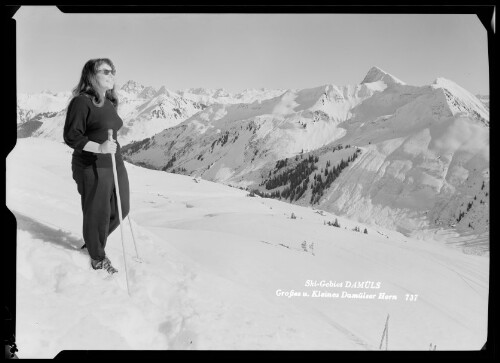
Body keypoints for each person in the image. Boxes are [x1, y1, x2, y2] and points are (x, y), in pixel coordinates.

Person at [63, 58, 130, 274]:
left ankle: (93, 242)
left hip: (114, 162)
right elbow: (72, 136)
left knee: (121, 208)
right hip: (92, 163)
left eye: (114, 71)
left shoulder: (109, 101)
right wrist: (99, 148)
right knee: (97, 213)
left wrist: (109, 150)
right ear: (92, 75)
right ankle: (97, 256)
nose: (112, 75)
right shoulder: (82, 102)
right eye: (106, 71)